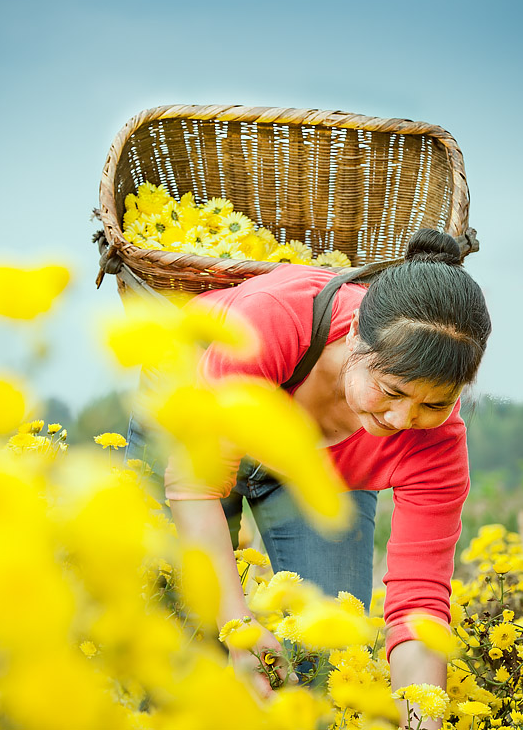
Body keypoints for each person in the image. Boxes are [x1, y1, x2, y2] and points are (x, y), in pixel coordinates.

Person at [126, 227, 492, 726]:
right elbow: (193, 487)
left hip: (312, 474)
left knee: (323, 653)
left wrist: (423, 716)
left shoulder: (437, 445)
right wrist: (238, 626)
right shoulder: (270, 324)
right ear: (356, 331)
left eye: (434, 403)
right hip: (195, 409)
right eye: (391, 390)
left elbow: (419, 603)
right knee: (174, 621)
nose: (401, 421)